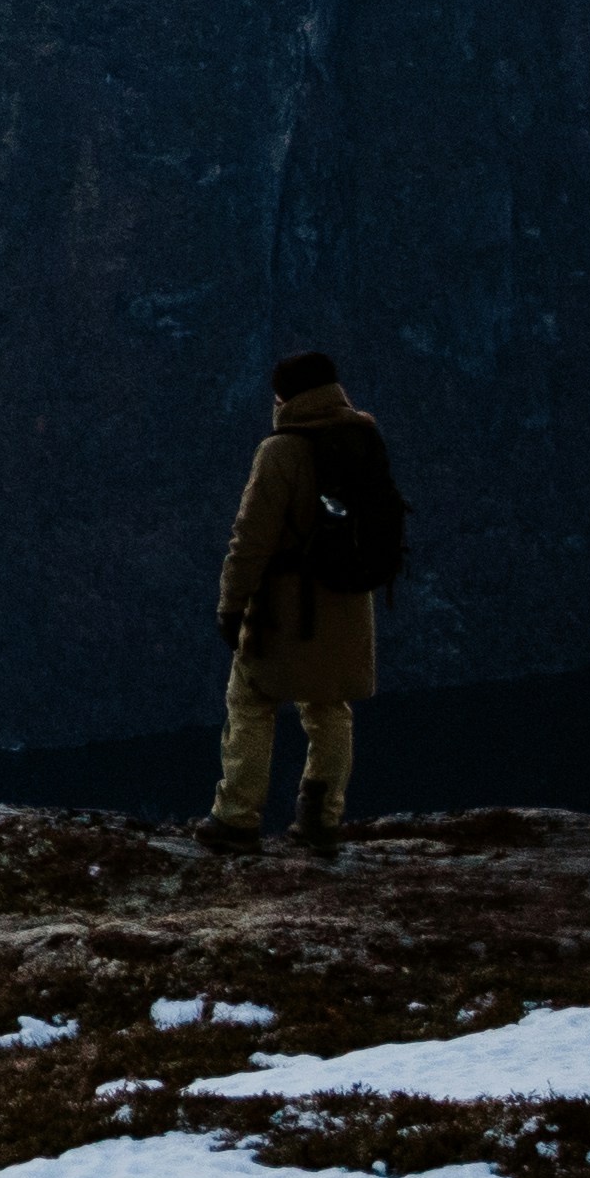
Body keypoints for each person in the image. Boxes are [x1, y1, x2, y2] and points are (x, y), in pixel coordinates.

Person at [207, 349, 405, 857]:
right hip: (347, 601)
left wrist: (231, 604)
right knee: (329, 708)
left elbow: (250, 538)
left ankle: (237, 819)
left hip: (287, 607)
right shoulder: (364, 436)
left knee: (251, 699)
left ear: (284, 396)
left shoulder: (282, 451)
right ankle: (320, 820)